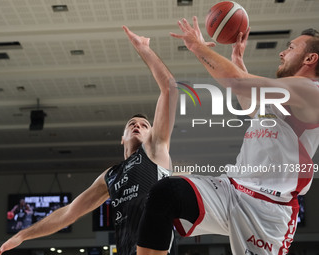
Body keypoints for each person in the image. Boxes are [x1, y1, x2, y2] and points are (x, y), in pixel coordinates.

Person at [136, 17, 319, 255]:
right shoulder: (286, 96)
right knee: (165, 193)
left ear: (310, 59)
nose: (283, 53)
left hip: (268, 209)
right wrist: (237, 62)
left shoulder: (309, 90)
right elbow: (249, 103)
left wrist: (196, 46)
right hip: (231, 189)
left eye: (291, 48)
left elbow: (240, 84)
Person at [0, 26, 180, 255]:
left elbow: (169, 89)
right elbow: (67, 213)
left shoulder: (155, 149)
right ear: (122, 138)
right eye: (131, 123)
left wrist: (144, 49)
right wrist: (22, 235)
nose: (137, 125)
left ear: (153, 134)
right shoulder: (110, 176)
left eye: (144, 125)